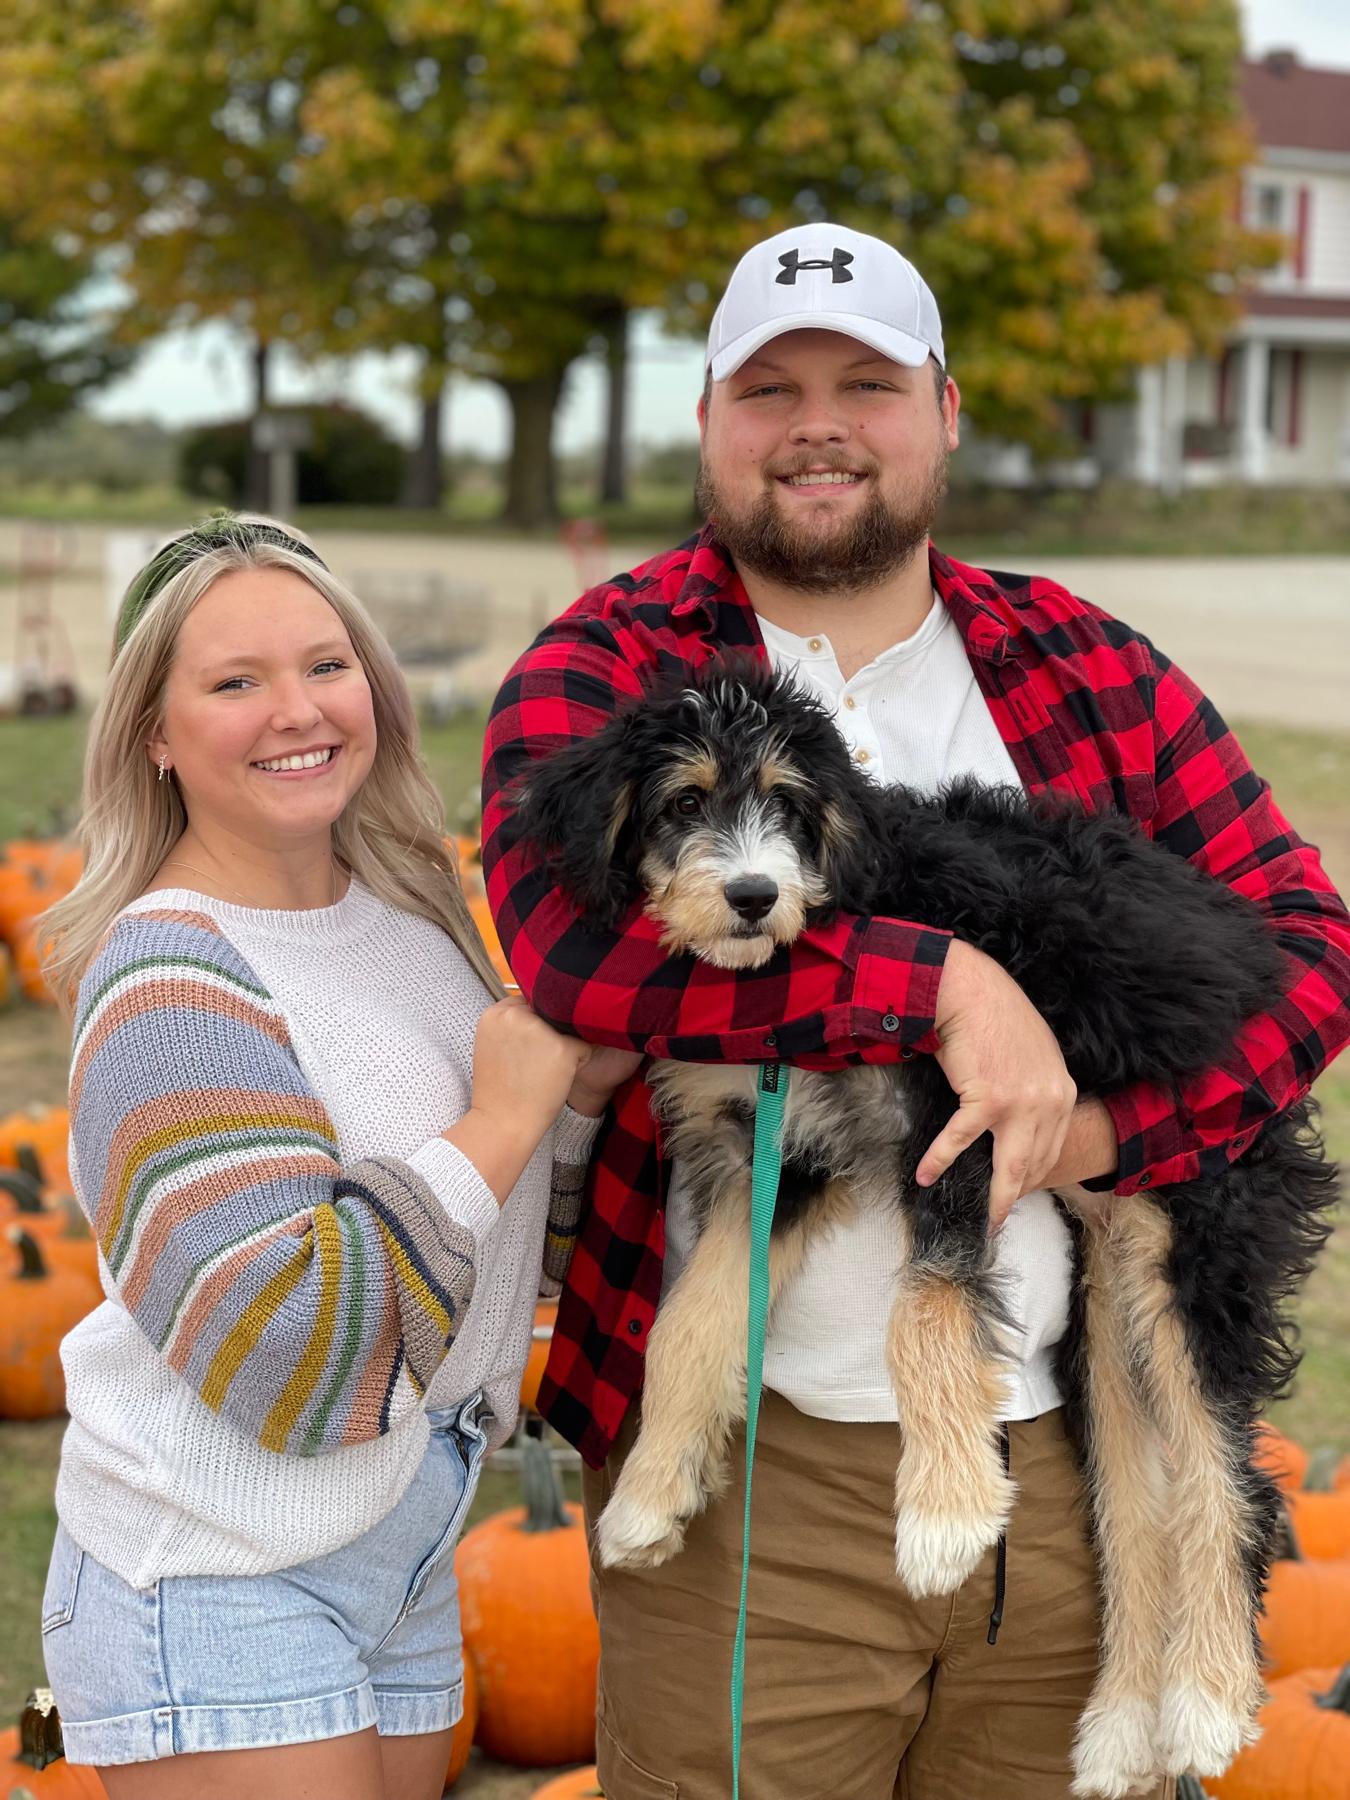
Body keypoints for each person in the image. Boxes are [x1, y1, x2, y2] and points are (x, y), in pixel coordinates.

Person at [481, 225, 1350, 1799]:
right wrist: (945, 985)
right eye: (771, 389)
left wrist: (1098, 1130)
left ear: (943, 411)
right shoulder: (609, 665)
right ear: (708, 424)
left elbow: (1306, 944)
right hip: (756, 1481)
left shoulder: (1088, 665)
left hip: (1074, 1461)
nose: (816, 424)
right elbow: (569, 955)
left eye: (864, 383)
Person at [37, 513, 638, 1800]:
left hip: (405, 1540)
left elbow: (507, 1248)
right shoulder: (170, 979)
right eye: (234, 681)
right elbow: (289, 1356)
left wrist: (570, 1106)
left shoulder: (421, 922)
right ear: (155, 733)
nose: (296, 709)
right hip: (223, 1559)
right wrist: (500, 1121)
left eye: (325, 664)